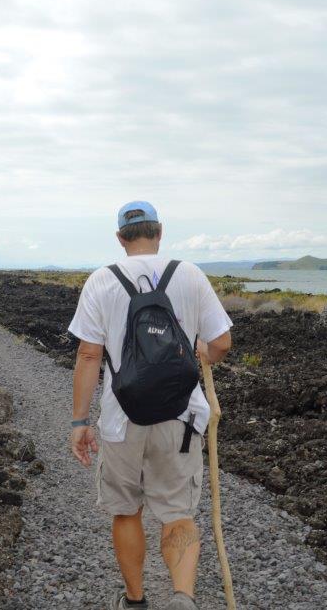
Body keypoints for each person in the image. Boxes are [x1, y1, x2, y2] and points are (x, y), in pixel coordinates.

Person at [68, 201, 233, 610]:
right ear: (159, 232)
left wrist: (79, 421)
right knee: (178, 512)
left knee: (126, 512)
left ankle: (135, 601)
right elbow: (221, 342)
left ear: (120, 238)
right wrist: (204, 354)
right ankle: (182, 598)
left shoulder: (102, 281)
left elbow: (88, 355)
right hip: (181, 417)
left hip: (121, 419)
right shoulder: (189, 274)